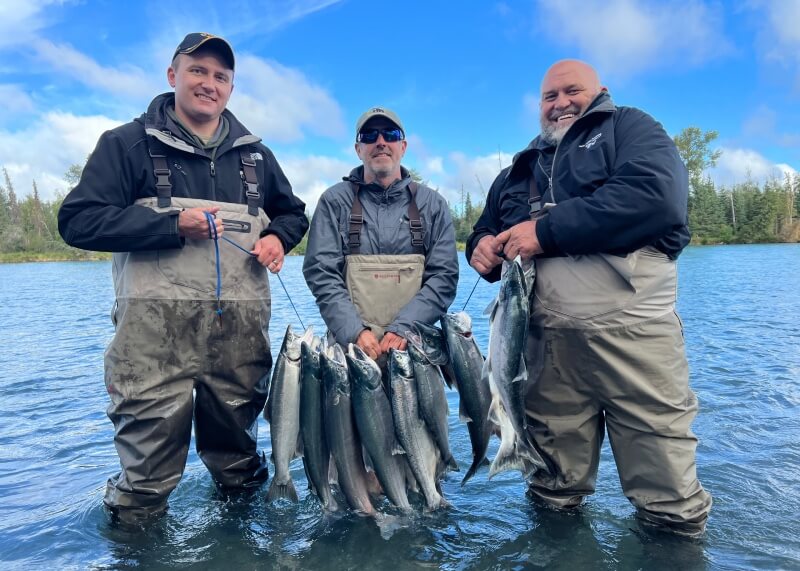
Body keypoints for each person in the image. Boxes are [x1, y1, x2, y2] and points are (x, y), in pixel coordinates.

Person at [58, 32, 309, 520]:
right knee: (145, 483)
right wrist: (171, 225)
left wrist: (279, 237)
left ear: (230, 88)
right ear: (172, 76)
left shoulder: (257, 157)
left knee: (241, 468)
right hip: (152, 342)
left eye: (220, 76)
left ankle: (241, 552)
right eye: (198, 71)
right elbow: (77, 221)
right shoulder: (126, 145)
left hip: (239, 339)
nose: (208, 83)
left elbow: (293, 214)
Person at [467, 60, 712, 537]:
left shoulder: (629, 128)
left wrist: (545, 230)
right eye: (549, 97)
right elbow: (487, 230)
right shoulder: (516, 170)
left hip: (636, 339)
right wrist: (481, 247)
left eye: (571, 91)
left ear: (600, 91)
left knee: (668, 493)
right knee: (551, 488)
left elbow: (658, 199)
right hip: (545, 350)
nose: (560, 104)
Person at [303, 107, 458, 361]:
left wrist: (405, 327)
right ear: (358, 149)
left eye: (390, 134)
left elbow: (444, 277)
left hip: (415, 351)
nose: (381, 142)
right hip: (350, 353)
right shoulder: (333, 201)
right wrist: (355, 332)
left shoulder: (433, 205)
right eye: (369, 136)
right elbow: (321, 273)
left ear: (403, 146)